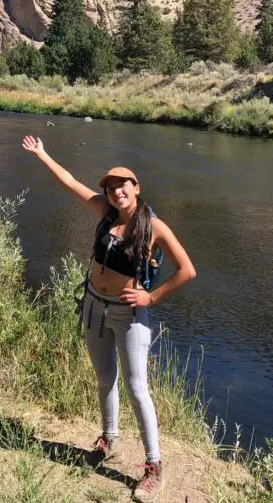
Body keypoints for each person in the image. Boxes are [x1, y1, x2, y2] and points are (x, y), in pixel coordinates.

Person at [21, 135, 196, 502]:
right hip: (93, 304)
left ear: (137, 188)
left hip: (128, 314)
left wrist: (151, 296)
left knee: (136, 388)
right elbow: (68, 181)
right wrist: (42, 154)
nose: (116, 192)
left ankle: (153, 466)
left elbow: (187, 270)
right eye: (111, 187)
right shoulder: (105, 213)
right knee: (104, 379)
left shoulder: (154, 226)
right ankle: (109, 439)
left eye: (123, 186)